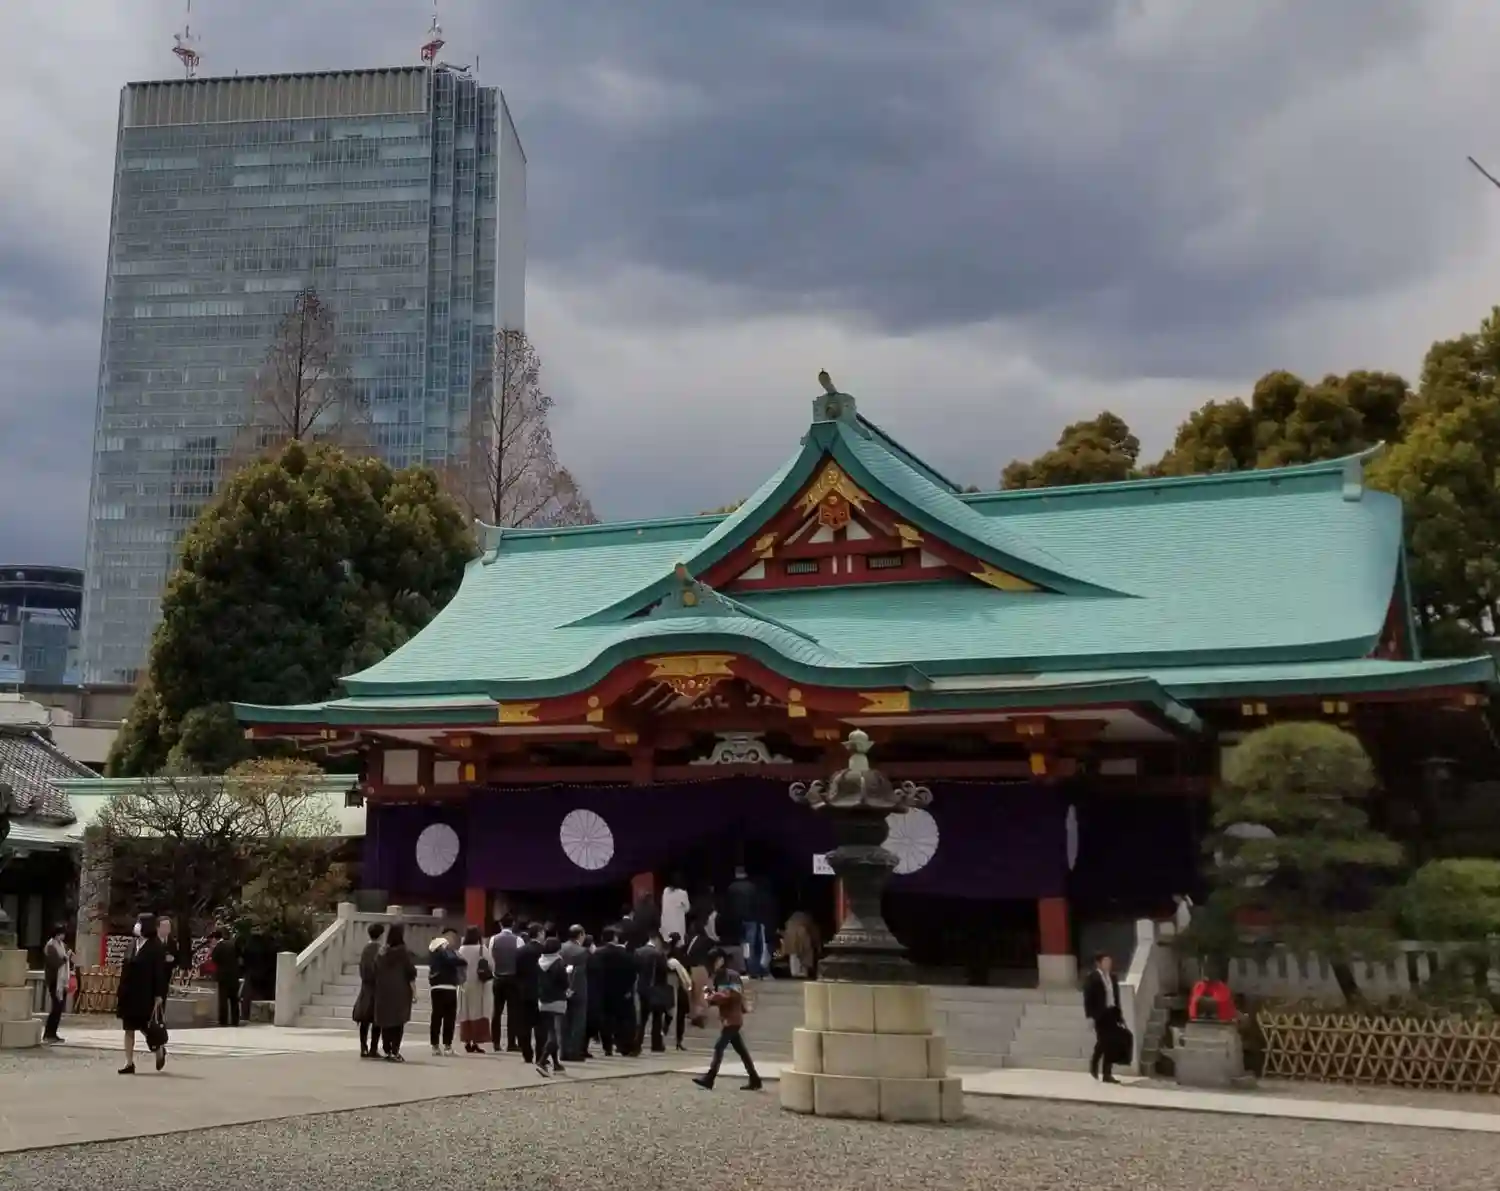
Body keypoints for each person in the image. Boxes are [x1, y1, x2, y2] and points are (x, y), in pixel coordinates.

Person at [692, 948, 763, 1092]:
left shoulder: (731, 976)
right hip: (728, 1017)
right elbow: (721, 996)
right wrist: (710, 995)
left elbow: (731, 995)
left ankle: (710, 1077)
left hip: (733, 1018)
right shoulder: (719, 976)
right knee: (741, 1051)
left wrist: (711, 996)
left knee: (719, 1047)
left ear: (721, 960)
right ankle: (754, 1078)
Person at [116, 913, 169, 1075]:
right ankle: (129, 1062)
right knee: (128, 1028)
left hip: (145, 993)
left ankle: (158, 1047)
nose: (136, 925)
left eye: (139, 922)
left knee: (146, 1026)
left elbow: (159, 972)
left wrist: (159, 995)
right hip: (128, 992)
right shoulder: (133, 944)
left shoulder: (155, 946)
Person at [374, 922, 417, 1062]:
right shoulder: (403, 952)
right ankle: (395, 1050)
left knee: (386, 1021)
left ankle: (387, 1049)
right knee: (398, 1022)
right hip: (400, 991)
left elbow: (375, 970)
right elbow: (410, 973)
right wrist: (414, 992)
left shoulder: (382, 953)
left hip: (383, 992)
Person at [1083, 951, 1124, 1084]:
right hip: (1100, 1014)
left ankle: (1107, 1074)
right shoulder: (1092, 978)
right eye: (1105, 961)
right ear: (1099, 963)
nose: (1108, 964)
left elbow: (1116, 998)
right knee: (1103, 1041)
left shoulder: (1113, 977)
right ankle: (1094, 1062)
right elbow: (1088, 998)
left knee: (1111, 1044)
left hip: (1112, 1012)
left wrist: (1119, 1015)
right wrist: (1090, 1016)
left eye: (1109, 961)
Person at [535, 936, 572, 1076]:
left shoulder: (539, 962)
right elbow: (564, 983)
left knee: (550, 1031)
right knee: (555, 1035)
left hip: (543, 1000)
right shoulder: (559, 963)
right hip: (557, 1000)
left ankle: (556, 1063)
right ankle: (542, 1061)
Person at [597, 926, 636, 1057]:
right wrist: (628, 988)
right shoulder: (625, 954)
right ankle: (623, 1046)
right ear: (615, 938)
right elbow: (632, 973)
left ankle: (607, 1047)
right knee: (623, 1019)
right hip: (622, 992)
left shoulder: (598, 953)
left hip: (603, 990)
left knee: (606, 1019)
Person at [428, 927, 465, 1056]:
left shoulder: (433, 948)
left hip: (437, 986)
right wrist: (461, 960)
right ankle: (446, 1046)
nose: (454, 941)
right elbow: (456, 961)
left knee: (437, 1016)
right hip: (447, 986)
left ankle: (435, 1045)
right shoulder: (444, 949)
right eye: (453, 937)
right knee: (448, 1017)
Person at [456, 925, 493, 1053]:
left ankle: (467, 1040)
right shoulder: (482, 949)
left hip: (464, 984)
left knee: (465, 1011)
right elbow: (491, 964)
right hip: (478, 984)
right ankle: (476, 1041)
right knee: (477, 1012)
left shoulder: (461, 949)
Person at [487, 915, 521, 1053]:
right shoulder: (518, 940)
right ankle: (511, 1043)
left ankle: (496, 1042)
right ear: (513, 924)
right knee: (513, 1012)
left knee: (497, 1011)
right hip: (513, 978)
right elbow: (520, 959)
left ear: (500, 925)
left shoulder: (493, 939)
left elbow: (490, 959)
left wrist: (495, 972)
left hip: (498, 978)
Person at [351, 922, 385, 1058]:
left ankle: (363, 1047)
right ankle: (373, 1048)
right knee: (377, 1020)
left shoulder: (365, 949)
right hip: (378, 988)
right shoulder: (381, 950)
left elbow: (362, 968)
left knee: (364, 1019)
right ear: (381, 935)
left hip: (366, 987)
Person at [634, 931, 671, 1054]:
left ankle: (637, 1042)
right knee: (657, 1018)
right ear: (657, 939)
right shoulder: (658, 954)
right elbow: (663, 972)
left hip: (641, 988)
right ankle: (656, 1044)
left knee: (642, 1018)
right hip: (655, 989)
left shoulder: (638, 951)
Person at [559, 924, 590, 1062]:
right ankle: (574, 1052)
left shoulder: (561, 948)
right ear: (580, 935)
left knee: (563, 1023)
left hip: (562, 990)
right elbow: (579, 973)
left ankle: (563, 1051)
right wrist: (572, 988)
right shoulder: (582, 952)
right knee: (578, 1023)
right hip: (578, 991)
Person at [513, 923, 543, 1063]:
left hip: (523, 991)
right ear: (539, 933)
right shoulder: (543, 950)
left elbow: (516, 972)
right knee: (540, 1026)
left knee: (524, 1025)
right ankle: (540, 1054)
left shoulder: (520, 951)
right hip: (540, 991)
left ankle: (527, 1053)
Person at [41, 924, 72, 1044]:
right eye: (61, 934)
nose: (62, 936)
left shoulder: (62, 945)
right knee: (56, 1007)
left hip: (62, 981)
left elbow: (66, 960)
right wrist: (66, 958)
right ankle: (48, 1033)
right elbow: (55, 963)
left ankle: (53, 1033)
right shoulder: (50, 946)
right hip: (54, 980)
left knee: (59, 1008)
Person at [208, 928, 241, 1028]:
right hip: (234, 975)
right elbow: (239, 955)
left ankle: (223, 1020)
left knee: (223, 1000)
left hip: (223, 976)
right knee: (234, 999)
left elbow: (214, 959)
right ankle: (235, 1020)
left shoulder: (219, 946)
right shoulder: (233, 944)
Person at [666, 934, 692, 1051]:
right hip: (679, 988)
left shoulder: (665, 955)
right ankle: (678, 1040)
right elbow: (686, 974)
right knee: (680, 1016)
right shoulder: (681, 956)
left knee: (669, 1013)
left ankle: (666, 1033)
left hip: (668, 987)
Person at [782, 910, 820, 979]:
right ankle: (803, 972)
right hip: (803, 938)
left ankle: (795, 972)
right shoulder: (807, 921)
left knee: (793, 955)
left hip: (792, 938)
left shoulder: (791, 922)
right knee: (805, 955)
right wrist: (817, 946)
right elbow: (814, 934)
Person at [661, 875, 690, 945]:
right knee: (678, 945)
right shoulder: (682, 893)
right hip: (678, 927)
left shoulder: (665, 891)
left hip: (666, 926)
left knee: (668, 944)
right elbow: (687, 909)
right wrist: (680, 909)